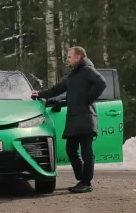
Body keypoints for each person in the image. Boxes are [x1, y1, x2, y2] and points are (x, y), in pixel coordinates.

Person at [32, 46, 106, 193]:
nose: (67, 59)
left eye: (69, 56)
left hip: (86, 118)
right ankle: (82, 178)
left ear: (78, 57)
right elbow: (57, 89)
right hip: (74, 119)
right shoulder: (73, 75)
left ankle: (86, 182)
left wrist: (88, 99)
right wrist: (40, 94)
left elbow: (101, 83)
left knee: (86, 152)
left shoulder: (88, 70)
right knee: (70, 149)